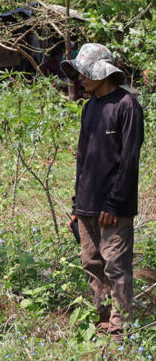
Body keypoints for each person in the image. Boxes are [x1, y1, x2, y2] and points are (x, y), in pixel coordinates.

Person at [62, 43, 144, 335]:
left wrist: (113, 203)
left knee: (116, 267)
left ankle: (121, 329)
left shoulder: (127, 105)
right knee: (92, 264)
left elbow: (129, 161)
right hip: (87, 205)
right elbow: (83, 159)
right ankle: (102, 321)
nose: (80, 78)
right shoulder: (89, 107)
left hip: (113, 207)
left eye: (85, 73)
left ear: (103, 73)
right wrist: (76, 205)